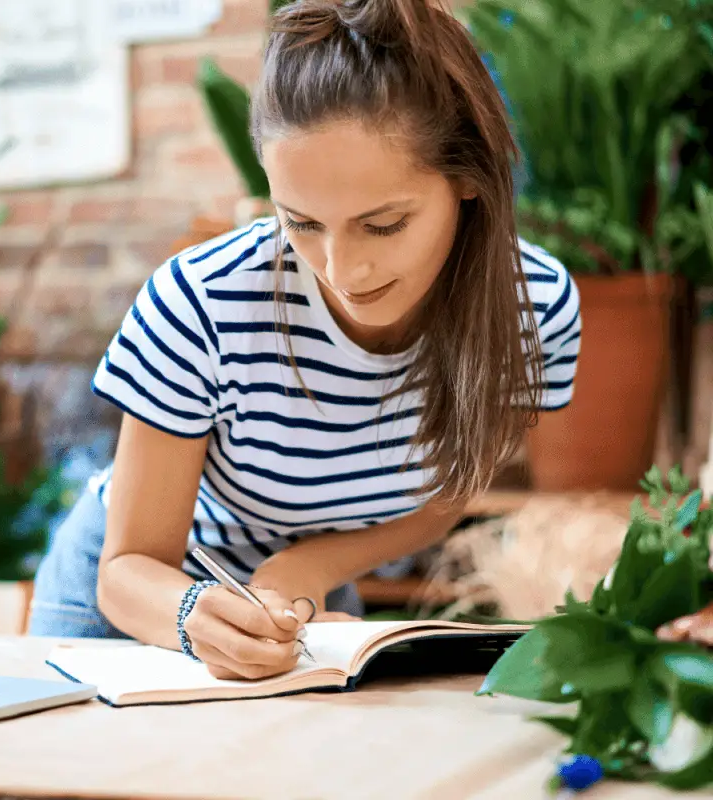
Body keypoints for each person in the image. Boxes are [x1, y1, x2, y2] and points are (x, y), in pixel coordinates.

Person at [28, 0, 581, 682]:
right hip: (135, 609)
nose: (342, 271)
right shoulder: (203, 300)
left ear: (468, 178)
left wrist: (308, 568)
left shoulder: (534, 310)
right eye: (302, 223)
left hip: (304, 606)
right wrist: (197, 614)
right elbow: (126, 570)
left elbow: (448, 494)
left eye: (383, 224)